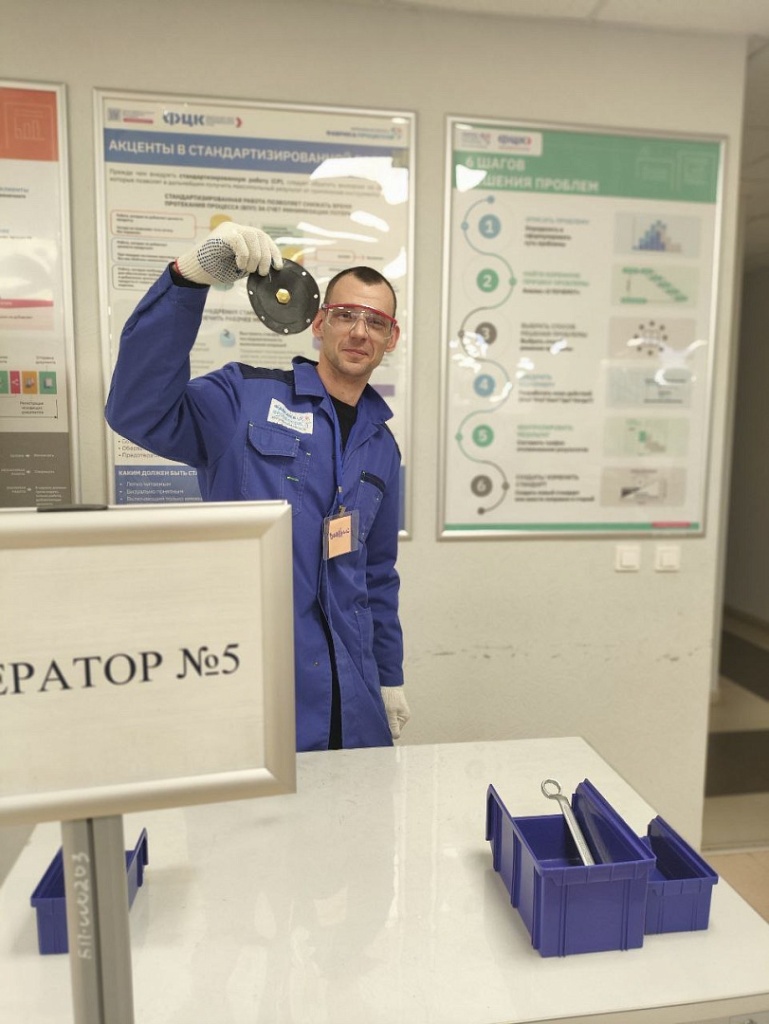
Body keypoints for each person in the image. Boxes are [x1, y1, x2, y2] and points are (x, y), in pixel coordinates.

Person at [105, 221, 410, 752]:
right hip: (256, 686)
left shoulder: (382, 445)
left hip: (353, 695)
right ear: (319, 323)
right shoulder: (243, 398)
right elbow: (137, 411)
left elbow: (377, 576)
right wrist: (189, 279)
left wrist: (389, 676)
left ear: (391, 338)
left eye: (375, 321)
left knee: (364, 805)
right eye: (345, 315)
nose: (360, 332)